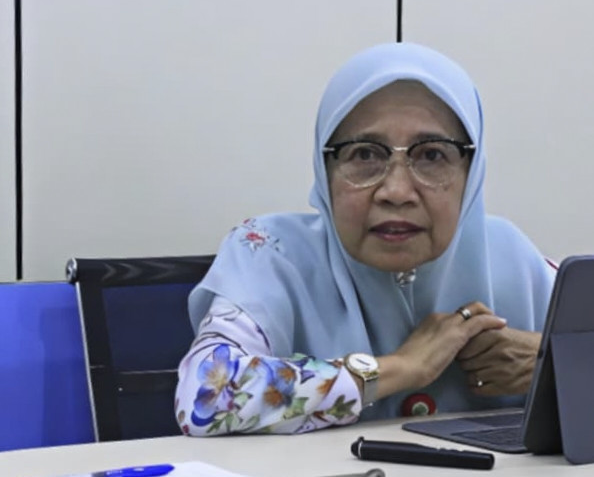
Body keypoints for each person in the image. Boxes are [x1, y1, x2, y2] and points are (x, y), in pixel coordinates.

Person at [175, 42, 555, 436]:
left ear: (471, 174)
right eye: (365, 155)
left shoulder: (510, 255)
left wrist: (553, 362)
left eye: (432, 156)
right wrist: (398, 368)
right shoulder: (272, 254)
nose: (397, 191)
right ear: (325, 170)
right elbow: (204, 396)